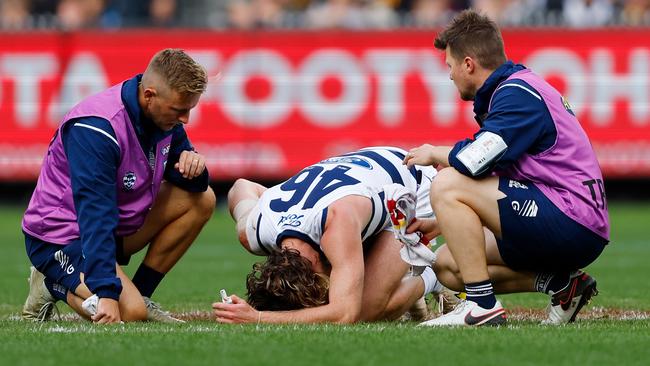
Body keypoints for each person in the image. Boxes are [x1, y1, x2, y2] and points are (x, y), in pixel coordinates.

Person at [403, 9, 609, 326]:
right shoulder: (513, 89)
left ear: (468, 64)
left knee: (447, 183)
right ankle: (563, 286)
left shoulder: (516, 94)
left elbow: (475, 161)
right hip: (566, 215)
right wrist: (443, 224)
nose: (449, 75)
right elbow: (502, 172)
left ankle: (481, 307)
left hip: (571, 219)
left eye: (450, 66)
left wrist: (434, 152)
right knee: (447, 265)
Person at [21, 48, 216, 324]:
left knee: (203, 199)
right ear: (149, 95)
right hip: (60, 236)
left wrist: (195, 168)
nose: (185, 119)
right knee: (129, 313)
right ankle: (49, 282)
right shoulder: (96, 128)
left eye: (189, 110)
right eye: (179, 110)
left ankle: (140, 294)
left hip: (111, 227)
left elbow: (191, 185)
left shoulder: (162, 116)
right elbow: (95, 214)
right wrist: (107, 293)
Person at [213, 146, 449, 324]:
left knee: (366, 309)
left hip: (410, 181)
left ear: (314, 261)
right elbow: (241, 186)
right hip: (363, 171)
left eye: (321, 282)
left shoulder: (337, 221)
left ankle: (433, 276)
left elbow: (345, 313)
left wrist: (258, 318)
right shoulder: (254, 230)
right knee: (354, 281)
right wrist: (254, 211)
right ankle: (400, 274)